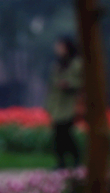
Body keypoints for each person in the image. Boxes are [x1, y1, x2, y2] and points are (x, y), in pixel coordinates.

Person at [45, 36, 82, 169]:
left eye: (60, 46)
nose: (58, 49)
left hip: (70, 104)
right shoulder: (57, 65)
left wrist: (69, 84)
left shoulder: (77, 64)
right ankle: (61, 162)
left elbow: (82, 82)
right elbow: (52, 85)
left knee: (65, 134)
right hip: (57, 105)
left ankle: (77, 159)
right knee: (58, 136)